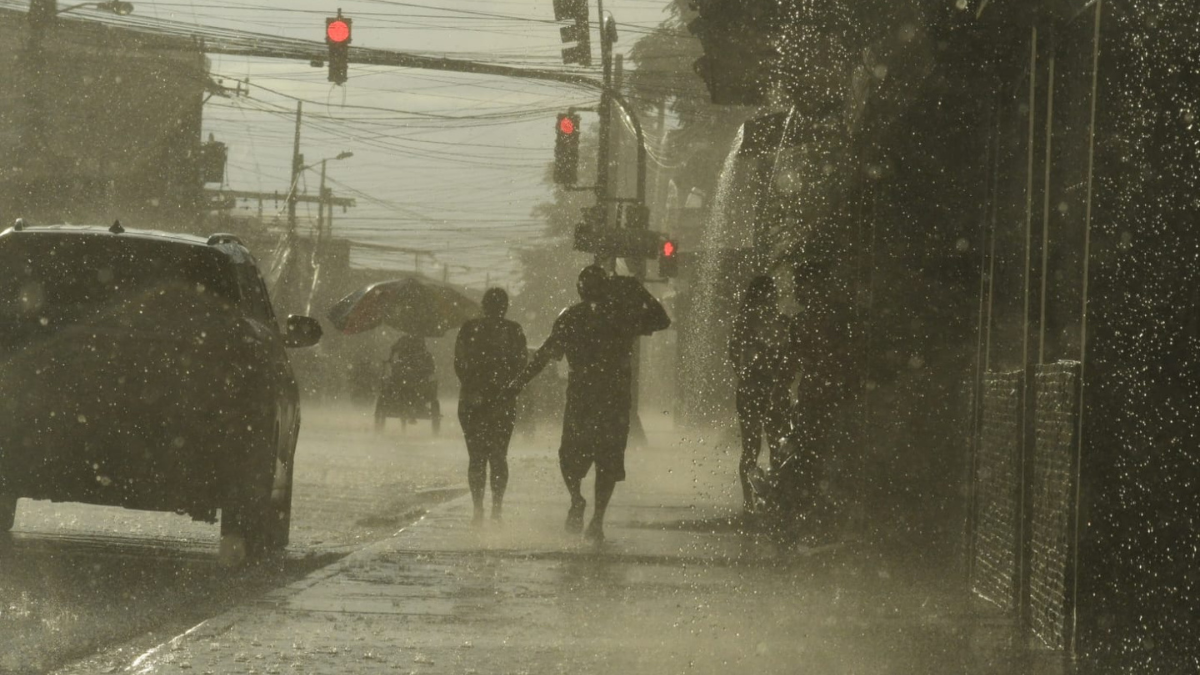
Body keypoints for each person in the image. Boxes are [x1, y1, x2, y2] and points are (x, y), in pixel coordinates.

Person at [509, 265, 670, 542]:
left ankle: (577, 499)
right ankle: (597, 519)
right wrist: (637, 289)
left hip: (582, 398)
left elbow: (545, 355)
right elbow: (661, 320)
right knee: (606, 461)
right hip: (614, 399)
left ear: (580, 289)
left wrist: (518, 383)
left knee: (570, 456)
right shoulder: (622, 316)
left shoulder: (571, 317)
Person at [454, 288, 527, 525]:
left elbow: (459, 364)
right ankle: (496, 508)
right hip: (501, 401)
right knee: (498, 456)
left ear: (483, 306)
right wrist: (505, 388)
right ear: (505, 307)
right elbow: (521, 366)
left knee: (477, 457)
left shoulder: (469, 329)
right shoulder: (513, 330)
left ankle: (478, 510)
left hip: (473, 400)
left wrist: (474, 388)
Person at [728, 275, 795, 514]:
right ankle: (774, 498)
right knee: (776, 445)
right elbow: (789, 357)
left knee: (752, 446)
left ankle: (751, 501)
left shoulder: (745, 321)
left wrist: (748, 374)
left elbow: (734, 355)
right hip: (771, 389)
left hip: (753, 388)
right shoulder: (779, 321)